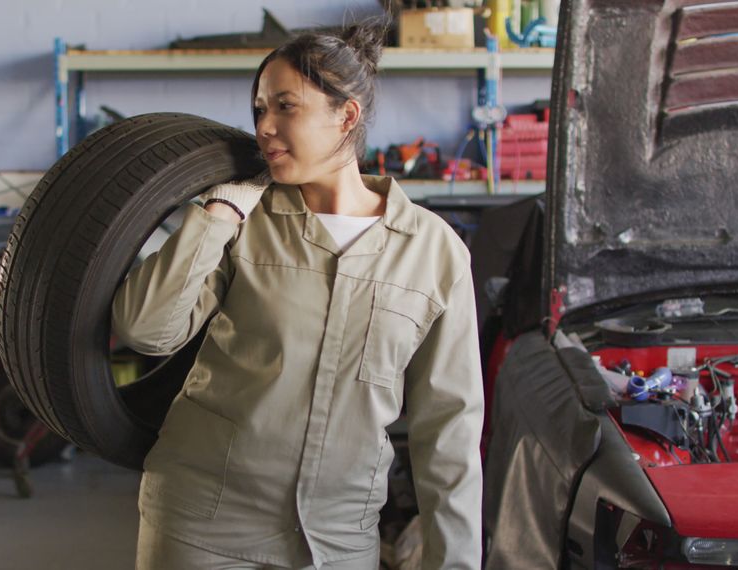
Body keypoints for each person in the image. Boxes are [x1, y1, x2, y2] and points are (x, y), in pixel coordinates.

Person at [113, 19, 484, 570]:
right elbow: (145, 329)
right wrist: (215, 215)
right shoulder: (243, 220)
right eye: (260, 109)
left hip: (336, 542)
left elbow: (449, 430)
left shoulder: (435, 253)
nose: (264, 126)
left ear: (346, 116)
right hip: (204, 527)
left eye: (285, 106)